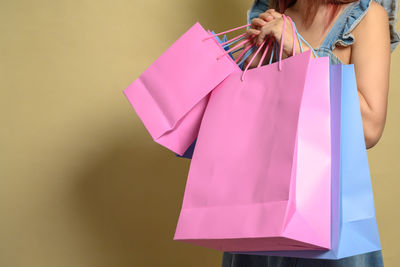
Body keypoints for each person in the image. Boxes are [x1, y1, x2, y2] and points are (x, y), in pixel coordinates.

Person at [221, 0, 400, 266]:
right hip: (261, 205)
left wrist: (299, 49)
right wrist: (253, 63)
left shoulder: (365, 16)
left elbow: (369, 129)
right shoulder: (273, 14)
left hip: (324, 210)